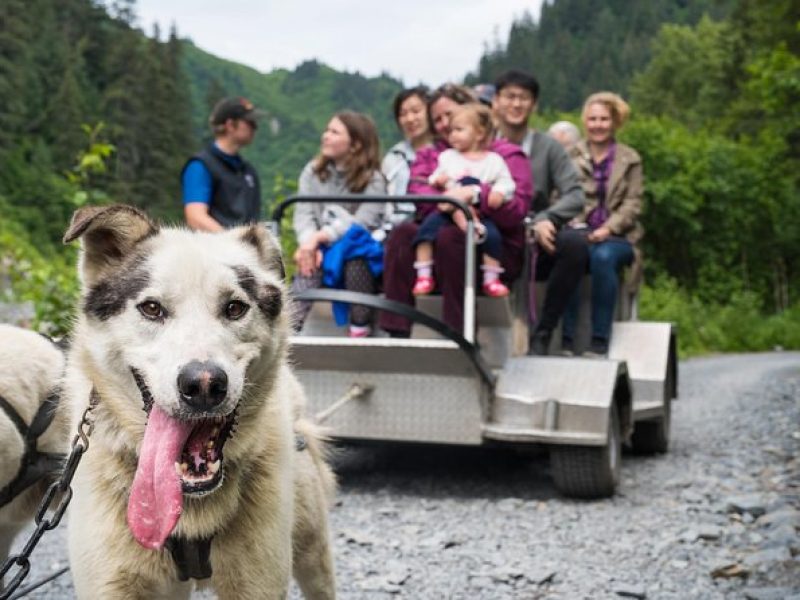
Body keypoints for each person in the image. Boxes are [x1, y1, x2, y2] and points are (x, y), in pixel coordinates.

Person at [379, 84, 532, 337]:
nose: (444, 125)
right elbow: (419, 194)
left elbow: (516, 209)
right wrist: (451, 202)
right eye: (437, 119)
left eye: (450, 116)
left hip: (493, 242)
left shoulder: (505, 156)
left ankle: (459, 334)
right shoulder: (433, 155)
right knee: (403, 234)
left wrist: (476, 194)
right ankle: (396, 330)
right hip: (440, 229)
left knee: (451, 239)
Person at [492, 69, 588, 355]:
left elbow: (575, 194)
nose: (516, 104)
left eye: (524, 98)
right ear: (496, 101)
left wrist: (546, 218)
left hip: (536, 234)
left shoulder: (548, 147)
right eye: (510, 97)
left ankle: (544, 331)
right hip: (493, 232)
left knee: (574, 246)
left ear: (534, 105)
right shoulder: (481, 141)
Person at [292, 111, 387, 338]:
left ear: (354, 144)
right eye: (327, 130)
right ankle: (288, 330)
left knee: (356, 258)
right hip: (321, 248)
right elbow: (303, 214)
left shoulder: (373, 180)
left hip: (356, 249)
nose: (325, 136)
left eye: (334, 132)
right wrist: (309, 242)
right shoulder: (313, 172)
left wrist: (321, 236)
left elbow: (363, 223)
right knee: (309, 262)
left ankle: (359, 326)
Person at [562, 92, 643, 356]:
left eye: (604, 119)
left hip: (618, 237)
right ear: (585, 121)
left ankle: (599, 340)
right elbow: (560, 196)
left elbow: (633, 204)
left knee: (603, 257)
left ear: (615, 121)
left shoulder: (630, 159)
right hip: (580, 231)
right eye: (593, 119)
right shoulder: (569, 155)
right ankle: (566, 338)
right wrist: (574, 223)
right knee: (573, 252)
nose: (598, 125)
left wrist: (608, 228)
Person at [413, 103, 515, 298]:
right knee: (425, 232)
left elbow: (506, 182)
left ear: (479, 133)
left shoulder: (493, 161)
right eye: (451, 131)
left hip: (479, 210)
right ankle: (423, 275)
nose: (452, 135)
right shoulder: (448, 157)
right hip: (448, 210)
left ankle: (491, 279)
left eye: (459, 130)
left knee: (492, 237)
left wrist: (499, 192)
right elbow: (435, 176)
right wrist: (437, 180)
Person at [182, 97, 264, 231]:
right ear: (230, 125)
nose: (255, 128)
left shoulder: (248, 171)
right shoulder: (200, 166)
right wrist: (231, 242)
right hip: (214, 248)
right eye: (250, 123)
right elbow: (195, 217)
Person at [381, 86, 432, 233]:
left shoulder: (444, 152)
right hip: (394, 227)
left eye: (416, 111)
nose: (410, 119)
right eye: (403, 114)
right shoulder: (393, 157)